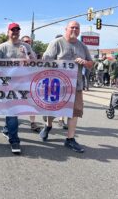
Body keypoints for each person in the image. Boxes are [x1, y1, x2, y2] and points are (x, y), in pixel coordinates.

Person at [40, 21, 93, 153]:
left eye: (77, 28)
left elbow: (91, 63)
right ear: (66, 29)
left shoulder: (83, 46)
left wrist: (85, 62)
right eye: (72, 27)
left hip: (76, 85)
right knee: (53, 111)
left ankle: (70, 139)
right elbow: (45, 61)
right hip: (57, 86)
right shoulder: (57, 43)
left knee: (75, 111)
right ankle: (48, 125)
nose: (74, 29)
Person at [0, 23, 35, 154]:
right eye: (13, 30)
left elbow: (35, 62)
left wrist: (27, 56)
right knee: (13, 112)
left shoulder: (26, 46)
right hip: (7, 85)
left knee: (14, 112)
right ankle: (14, 140)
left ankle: (7, 130)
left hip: (22, 84)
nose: (15, 32)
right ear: (8, 32)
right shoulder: (2, 47)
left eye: (17, 30)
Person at [20, 35, 40, 132]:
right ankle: (9, 125)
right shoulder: (17, 51)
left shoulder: (32, 52)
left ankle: (32, 122)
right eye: (26, 41)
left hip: (29, 80)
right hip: (18, 81)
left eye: (29, 42)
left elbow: (36, 63)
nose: (28, 43)